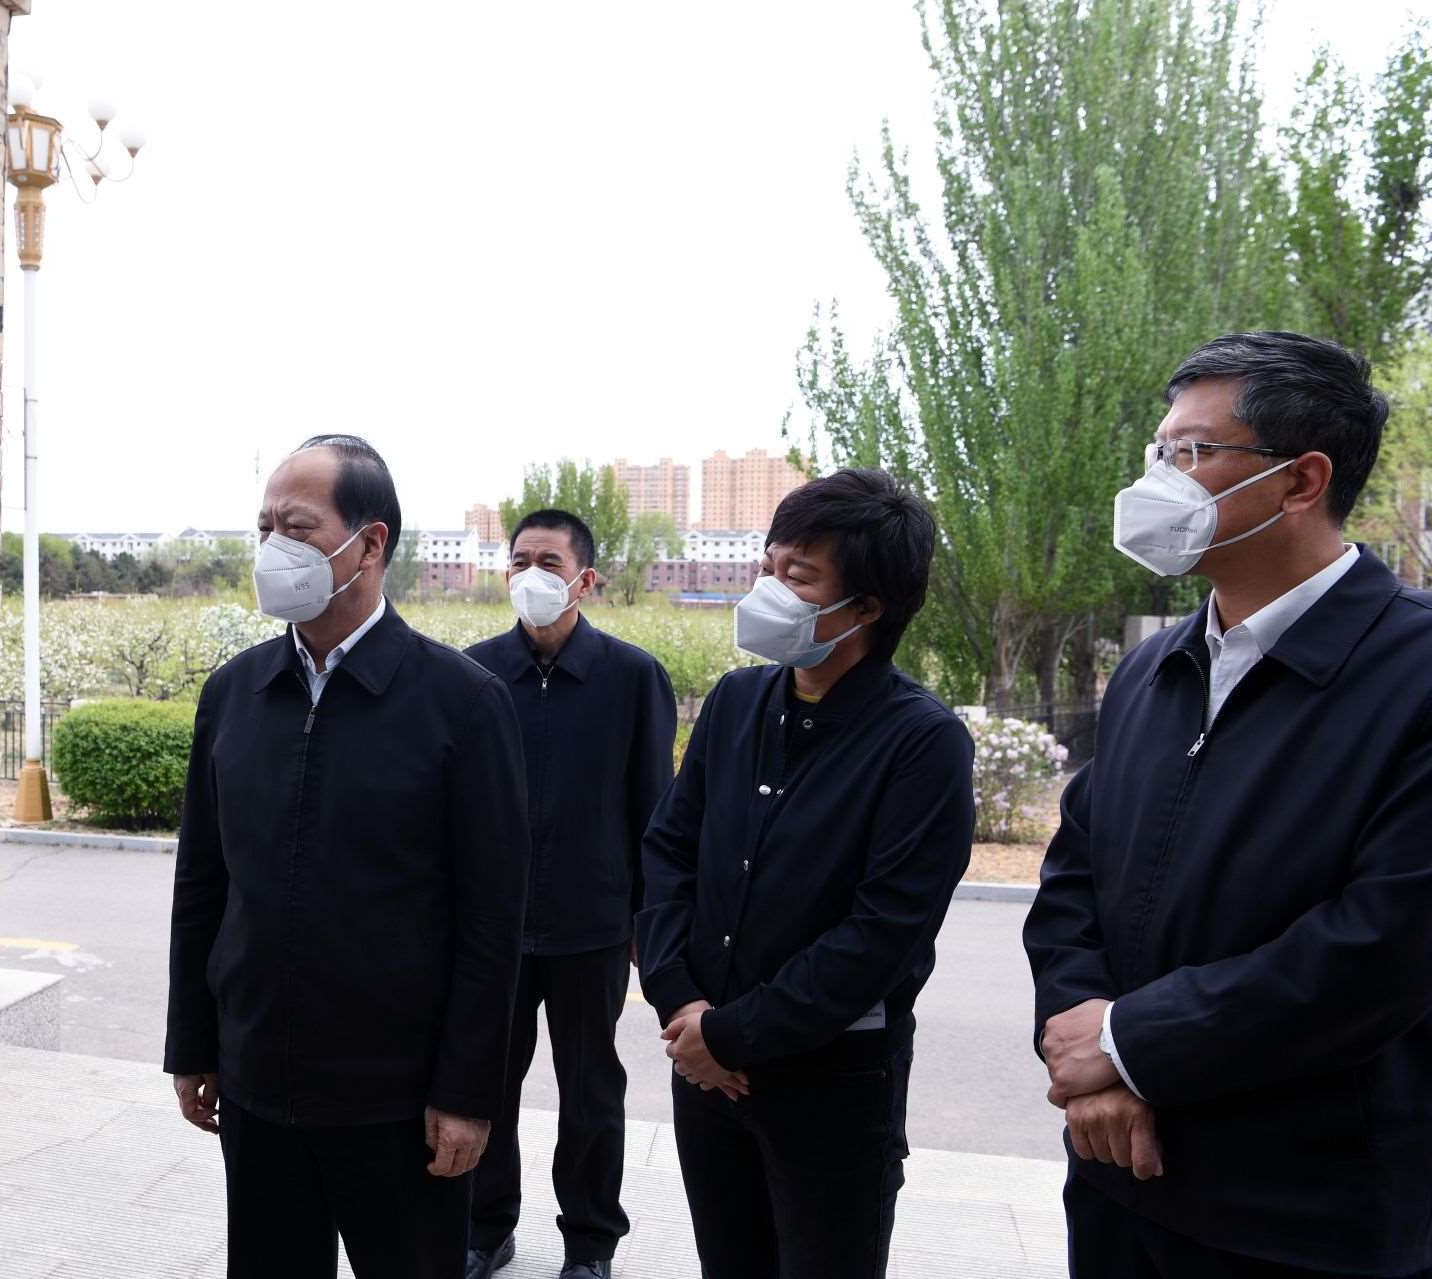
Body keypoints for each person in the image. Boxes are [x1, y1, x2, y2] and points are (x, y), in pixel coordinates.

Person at [1025, 331, 1432, 1277]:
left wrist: (1131, 1043)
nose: (1157, 479)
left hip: (1307, 1214)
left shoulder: (1411, 674)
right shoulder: (1151, 669)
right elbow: (1073, 878)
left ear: (1301, 481)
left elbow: (1383, 945)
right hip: (1119, 1182)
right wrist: (1091, 1057)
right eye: (1158, 450)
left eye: (1192, 452)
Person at [164, 435, 531, 1279]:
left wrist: (466, 1093)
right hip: (258, 1086)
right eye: (264, 527)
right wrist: (194, 1042)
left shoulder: (462, 703)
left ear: (370, 544)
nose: (272, 548)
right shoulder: (234, 693)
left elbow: (491, 918)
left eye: (296, 528)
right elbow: (203, 882)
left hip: (399, 1103)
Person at [637, 467, 973, 1278]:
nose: (768, 589)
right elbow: (669, 851)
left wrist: (731, 1033)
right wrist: (681, 1001)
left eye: (798, 575)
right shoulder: (735, 702)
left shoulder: (921, 742)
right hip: (705, 1067)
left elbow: (882, 933)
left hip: (832, 1081)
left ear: (867, 607)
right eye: (767, 564)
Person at [462, 510, 677, 1279]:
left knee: (591, 1092)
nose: (531, 575)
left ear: (585, 579)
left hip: (593, 926)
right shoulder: (476, 673)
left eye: (548, 562)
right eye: (519, 560)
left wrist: (650, 924)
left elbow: (656, 810)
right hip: (495, 929)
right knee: (484, 1084)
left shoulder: (632, 676)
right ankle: (485, 1229)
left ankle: (590, 1244)